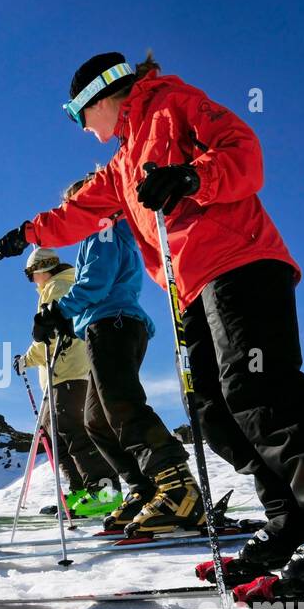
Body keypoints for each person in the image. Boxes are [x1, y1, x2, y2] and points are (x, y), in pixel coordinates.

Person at [0, 50, 304, 585]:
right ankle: (293, 522)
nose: (80, 127)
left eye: (75, 113)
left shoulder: (173, 104)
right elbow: (78, 212)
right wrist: (29, 234)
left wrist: (190, 178)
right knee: (213, 410)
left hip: (240, 262)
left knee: (263, 393)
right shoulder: (123, 162)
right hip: (191, 289)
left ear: (100, 97)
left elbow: (245, 154)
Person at [32, 176, 203, 535]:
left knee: (121, 404)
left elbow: (97, 281)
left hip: (114, 323)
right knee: (96, 419)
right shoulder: (102, 231)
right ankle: (144, 488)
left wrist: (59, 312)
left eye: (76, 203)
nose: (72, 212)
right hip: (104, 324)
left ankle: (178, 487)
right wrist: (68, 322)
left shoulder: (104, 226)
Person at [17, 247, 120, 518]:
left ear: (40, 270)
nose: (32, 282)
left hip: (69, 372)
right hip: (59, 376)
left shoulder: (58, 287)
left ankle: (103, 494)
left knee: (75, 434)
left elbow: (51, 336)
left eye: (31, 276)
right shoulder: (55, 287)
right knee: (60, 438)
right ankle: (80, 494)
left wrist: (27, 359)